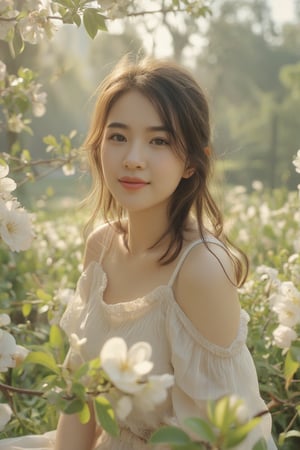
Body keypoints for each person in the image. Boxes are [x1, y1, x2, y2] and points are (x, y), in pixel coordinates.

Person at [0, 56, 277, 450]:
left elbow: (229, 437)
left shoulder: (201, 270)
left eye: (158, 141)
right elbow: (83, 401)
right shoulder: (100, 246)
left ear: (192, 163)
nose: (132, 157)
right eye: (118, 136)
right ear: (98, 147)